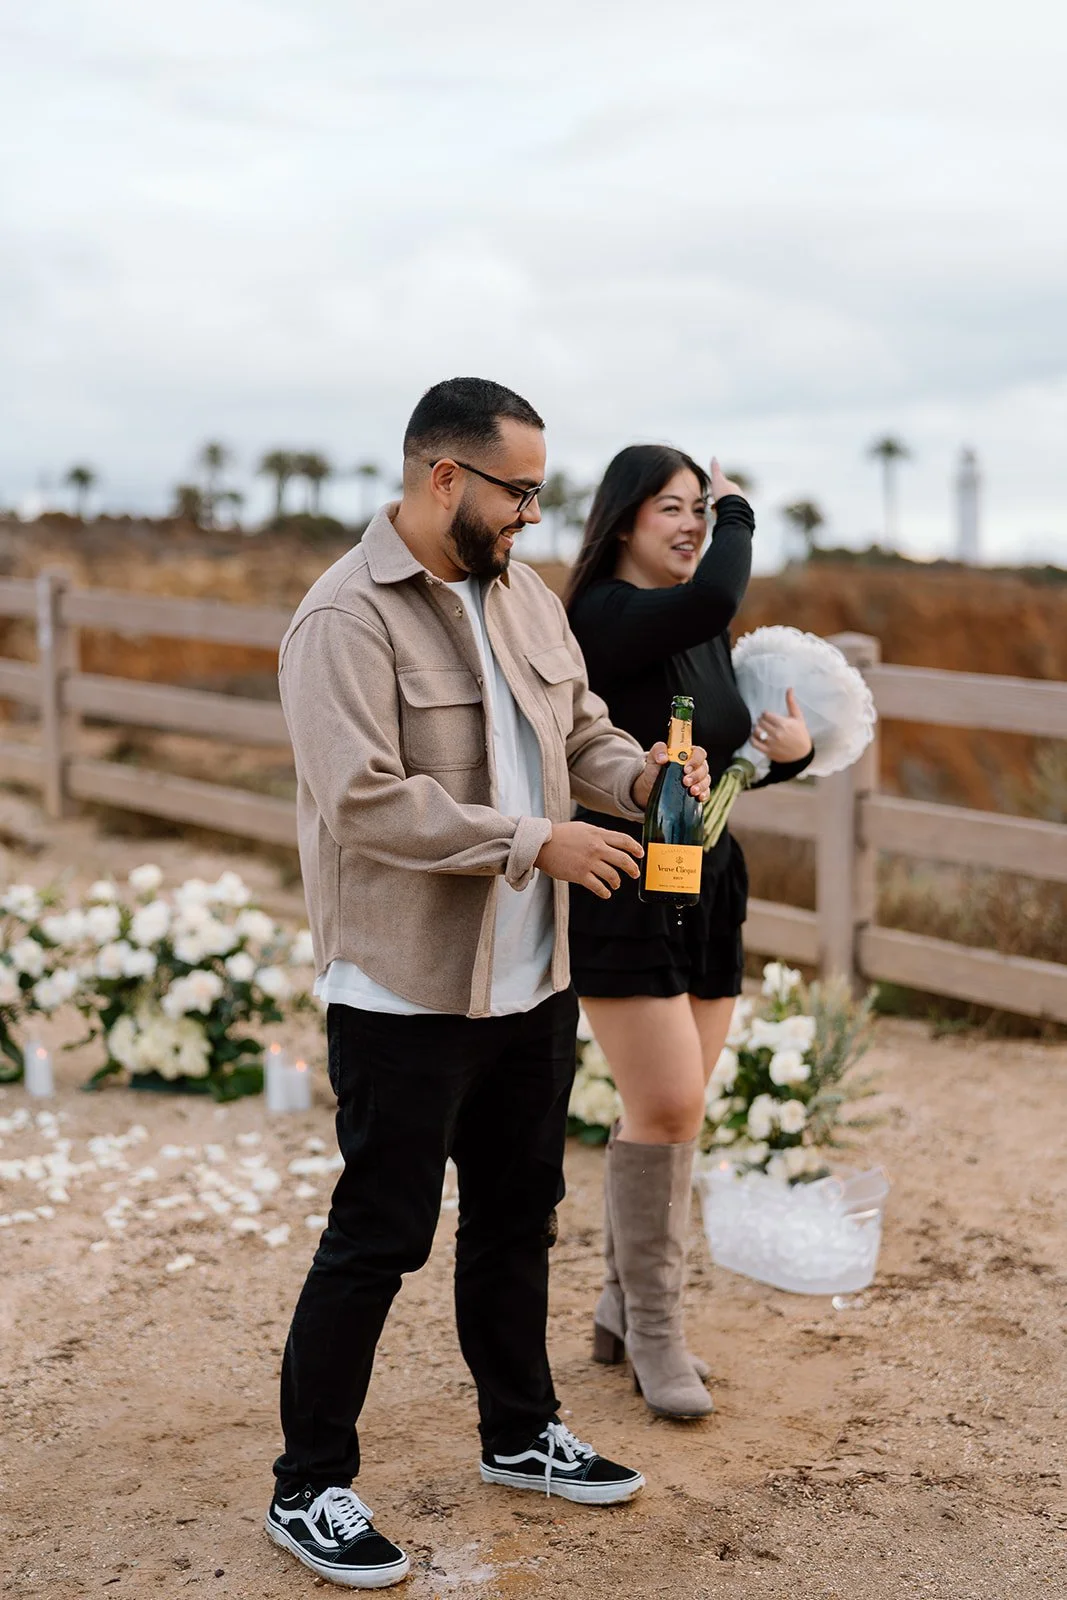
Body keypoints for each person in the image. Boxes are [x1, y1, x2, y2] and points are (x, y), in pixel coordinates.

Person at [267, 381, 714, 1589]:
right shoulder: (341, 619)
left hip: (534, 978)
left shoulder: (523, 598)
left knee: (518, 1219)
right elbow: (363, 802)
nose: (532, 513)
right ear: (443, 479)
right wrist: (535, 842)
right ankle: (307, 1485)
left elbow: (576, 733)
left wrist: (636, 779)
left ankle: (519, 1432)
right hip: (404, 987)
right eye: (517, 490)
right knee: (379, 1236)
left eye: (538, 490)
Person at [565, 446, 813, 1421]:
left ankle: (622, 1305)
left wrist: (776, 759)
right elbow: (711, 598)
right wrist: (741, 505)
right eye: (672, 509)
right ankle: (658, 1337)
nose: (692, 528)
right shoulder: (606, 617)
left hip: (708, 880)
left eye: (701, 514)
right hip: (622, 884)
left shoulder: (701, 635)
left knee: (673, 1111)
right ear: (623, 519)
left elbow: (710, 765)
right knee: (665, 1103)